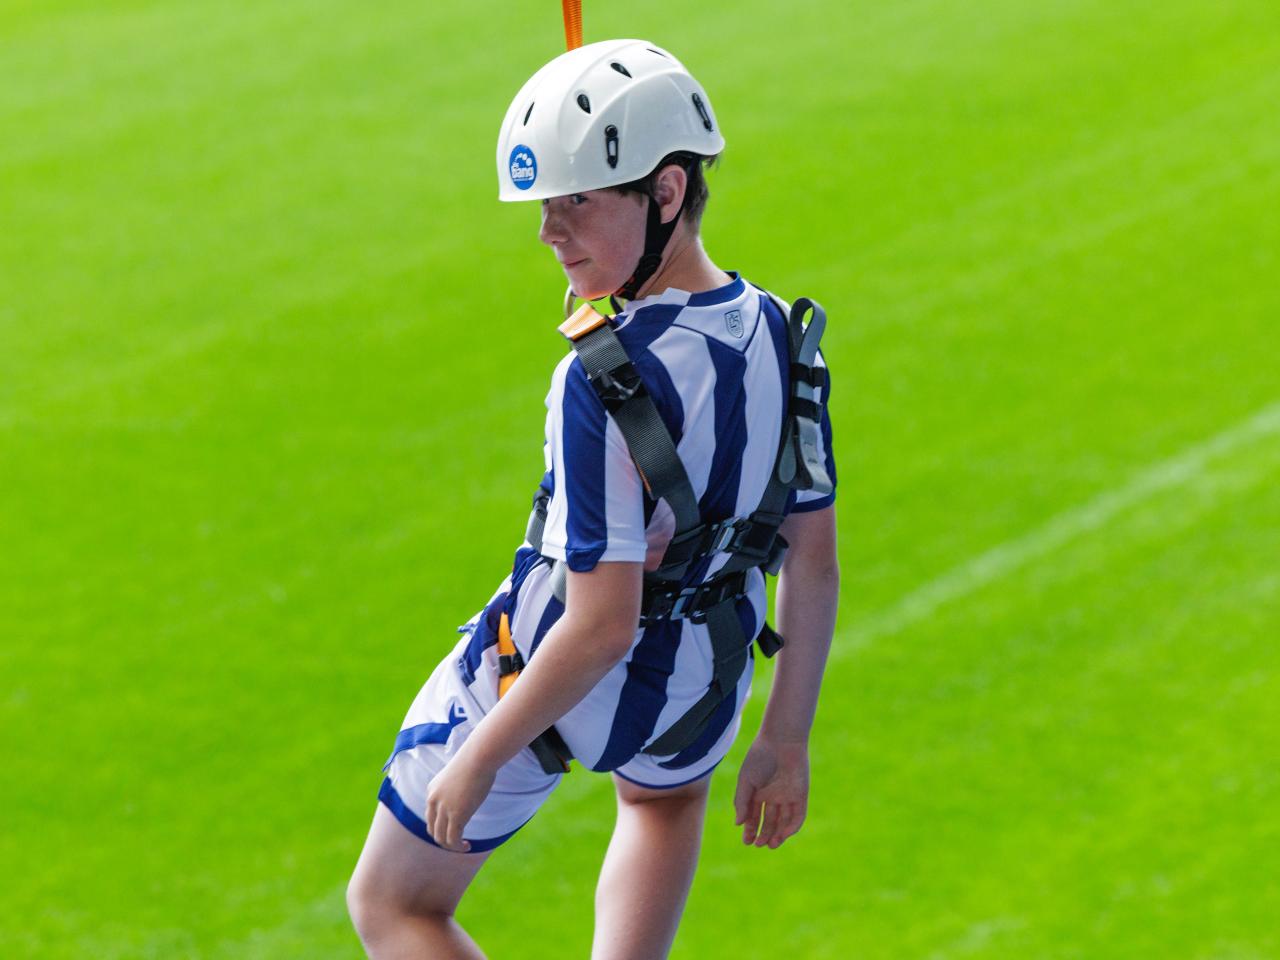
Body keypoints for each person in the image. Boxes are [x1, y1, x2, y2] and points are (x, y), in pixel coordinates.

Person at [346, 38, 840, 960]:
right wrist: (786, 736)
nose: (548, 233)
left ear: (665, 192)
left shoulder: (597, 379)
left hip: (546, 670)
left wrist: (482, 752)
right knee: (662, 802)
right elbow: (812, 556)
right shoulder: (785, 334)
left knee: (395, 905)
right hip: (701, 680)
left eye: (576, 201)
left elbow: (601, 623)